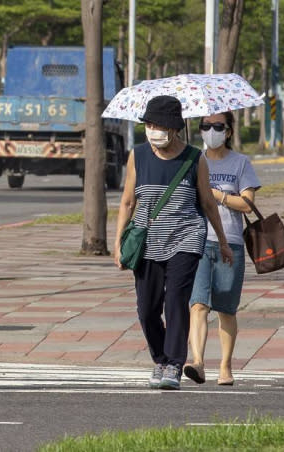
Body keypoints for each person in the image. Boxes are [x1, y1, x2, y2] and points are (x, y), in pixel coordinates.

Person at [113, 95, 233, 390]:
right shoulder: (138, 156)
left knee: (175, 302)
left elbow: (207, 202)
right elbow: (128, 202)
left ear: (174, 128)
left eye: (158, 125)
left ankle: (175, 365)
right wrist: (117, 243)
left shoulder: (194, 158)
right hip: (147, 241)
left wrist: (222, 240)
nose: (153, 130)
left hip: (186, 238)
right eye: (149, 124)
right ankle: (161, 359)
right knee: (147, 309)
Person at [185, 111, 260, 386]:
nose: (210, 130)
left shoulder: (241, 163)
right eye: (205, 125)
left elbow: (247, 203)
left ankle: (226, 366)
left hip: (231, 242)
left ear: (228, 131)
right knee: (198, 305)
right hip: (198, 241)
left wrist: (216, 195)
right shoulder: (193, 160)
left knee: (227, 309)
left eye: (217, 126)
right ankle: (198, 362)